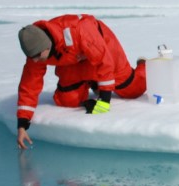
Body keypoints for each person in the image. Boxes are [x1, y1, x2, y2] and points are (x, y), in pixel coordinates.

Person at [16, 14, 147, 149]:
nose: (35, 60)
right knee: (67, 100)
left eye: (38, 56)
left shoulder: (80, 30)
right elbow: (29, 84)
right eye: (32, 57)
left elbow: (104, 62)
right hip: (73, 61)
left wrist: (104, 100)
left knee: (134, 89)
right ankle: (93, 81)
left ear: (46, 47)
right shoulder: (35, 50)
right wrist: (22, 124)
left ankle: (144, 66)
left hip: (103, 48)